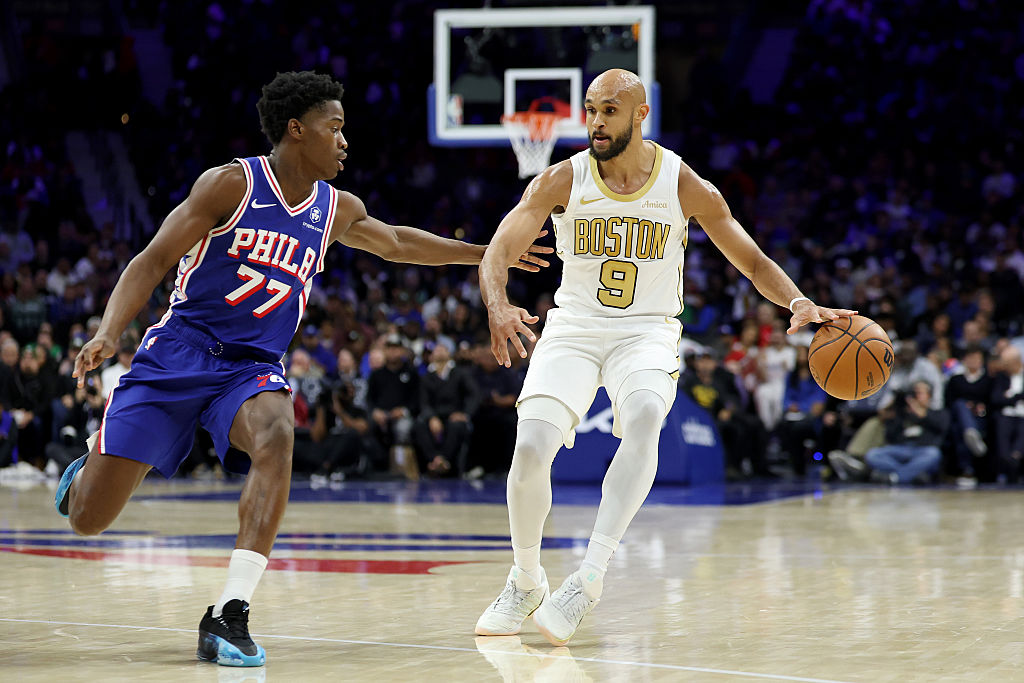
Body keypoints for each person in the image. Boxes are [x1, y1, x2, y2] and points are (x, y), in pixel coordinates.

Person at [54, 70, 550, 668]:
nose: (345, 141)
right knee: (88, 519)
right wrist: (110, 331)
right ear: (297, 130)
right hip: (178, 354)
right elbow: (153, 259)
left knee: (277, 432)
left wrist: (487, 252)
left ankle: (228, 614)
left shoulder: (336, 209)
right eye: (334, 128)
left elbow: (395, 242)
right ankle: (91, 460)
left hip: (251, 368)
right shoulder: (229, 186)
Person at [474, 68, 855, 645]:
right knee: (529, 449)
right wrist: (498, 305)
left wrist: (799, 301)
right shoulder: (561, 178)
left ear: (639, 114)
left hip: (647, 330)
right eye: (591, 110)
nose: (596, 122)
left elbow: (750, 261)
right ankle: (526, 579)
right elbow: (497, 250)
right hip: (575, 326)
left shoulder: (681, 183)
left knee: (648, 415)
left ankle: (589, 578)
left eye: (608, 112)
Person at [864, 381, 947, 485]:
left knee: (934, 454)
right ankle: (913, 475)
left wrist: (923, 415)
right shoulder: (903, 412)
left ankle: (894, 477)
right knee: (873, 454)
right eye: (913, 392)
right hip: (901, 449)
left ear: (929, 395)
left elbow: (942, 430)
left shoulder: (939, 413)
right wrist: (896, 410)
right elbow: (890, 436)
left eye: (919, 393)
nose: (915, 396)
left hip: (923, 450)